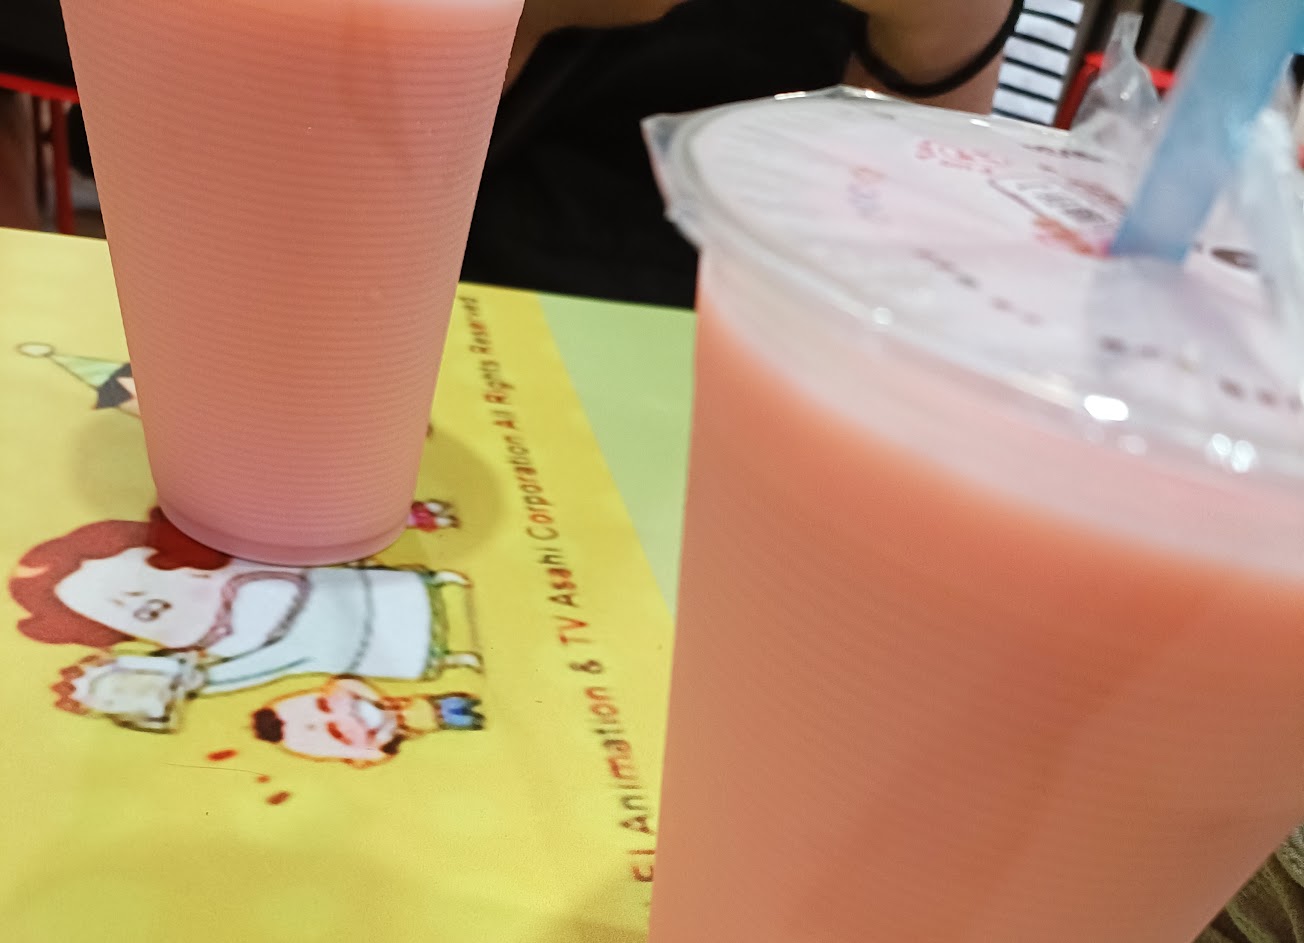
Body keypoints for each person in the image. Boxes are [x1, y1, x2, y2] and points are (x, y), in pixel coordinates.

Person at [251, 675, 484, 768]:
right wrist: (374, 750)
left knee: (412, 712)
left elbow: (332, 695)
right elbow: (334, 747)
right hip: (371, 727)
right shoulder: (297, 737)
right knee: (414, 720)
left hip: (368, 715)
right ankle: (455, 714)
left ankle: (454, 709)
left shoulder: (290, 713)